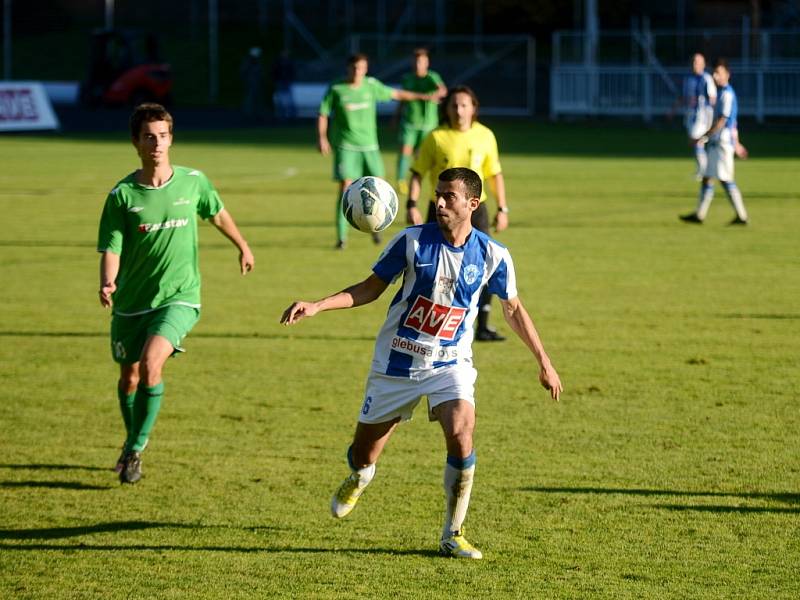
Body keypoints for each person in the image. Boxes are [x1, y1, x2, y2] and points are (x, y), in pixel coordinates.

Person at [281, 167, 562, 559]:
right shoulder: (411, 242)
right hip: (395, 367)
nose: (440, 202)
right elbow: (370, 288)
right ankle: (360, 476)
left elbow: (513, 309)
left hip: (450, 364)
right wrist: (317, 305)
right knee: (364, 455)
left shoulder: (493, 254)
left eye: (449, 196)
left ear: (473, 204)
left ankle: (453, 533)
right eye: (438, 195)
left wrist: (544, 361)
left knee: (462, 431)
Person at [97, 103, 255, 484]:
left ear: (171, 138)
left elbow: (216, 212)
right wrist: (107, 281)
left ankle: (135, 449)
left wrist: (242, 245)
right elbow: (112, 246)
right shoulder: (122, 195)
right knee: (129, 379)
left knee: (152, 364)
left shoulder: (193, 181)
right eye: (149, 136)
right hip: (131, 302)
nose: (157, 143)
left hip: (180, 296)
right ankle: (132, 440)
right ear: (136, 142)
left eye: (163, 136)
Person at [406, 85, 509, 341]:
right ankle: (428, 322)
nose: (459, 110)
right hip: (441, 210)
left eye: (464, 105)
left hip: (477, 210)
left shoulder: (485, 135)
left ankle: (482, 325)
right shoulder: (436, 137)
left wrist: (503, 208)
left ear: (473, 108)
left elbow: (494, 174)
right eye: (454, 105)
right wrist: (411, 203)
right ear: (447, 109)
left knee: (484, 266)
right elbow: (418, 172)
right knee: (433, 268)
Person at [317, 53, 443, 250]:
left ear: (366, 69)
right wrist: (322, 137)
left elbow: (398, 94)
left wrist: (424, 97)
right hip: (346, 146)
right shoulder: (336, 88)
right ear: (348, 68)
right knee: (345, 189)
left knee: (379, 188)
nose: (358, 72)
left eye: (361, 68)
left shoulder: (371, 86)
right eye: (354, 68)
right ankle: (342, 237)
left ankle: (376, 227)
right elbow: (323, 113)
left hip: (370, 146)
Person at [680, 60, 749, 225]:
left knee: (725, 180)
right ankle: (699, 215)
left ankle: (742, 216)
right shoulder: (723, 93)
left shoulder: (727, 94)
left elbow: (723, 121)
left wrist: (704, 137)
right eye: (715, 73)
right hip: (717, 144)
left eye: (719, 73)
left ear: (727, 74)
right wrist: (737, 143)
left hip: (722, 144)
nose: (716, 76)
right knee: (707, 178)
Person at [393, 48, 447, 195]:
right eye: (416, 61)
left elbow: (443, 91)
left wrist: (434, 95)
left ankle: (418, 181)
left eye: (422, 61)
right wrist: (396, 116)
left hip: (428, 124)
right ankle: (400, 180)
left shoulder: (431, 77)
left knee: (421, 156)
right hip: (410, 122)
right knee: (405, 150)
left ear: (427, 62)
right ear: (412, 62)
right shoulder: (407, 78)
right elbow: (402, 99)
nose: (418, 64)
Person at [675, 53, 717, 179]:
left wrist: (713, 117)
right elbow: (684, 97)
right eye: (693, 61)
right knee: (697, 142)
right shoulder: (688, 78)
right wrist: (673, 109)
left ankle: (703, 171)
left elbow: (713, 98)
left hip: (703, 116)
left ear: (703, 64)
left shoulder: (707, 78)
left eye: (697, 62)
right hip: (690, 114)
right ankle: (703, 170)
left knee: (697, 140)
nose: (695, 64)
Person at [240, 46, 265, 120]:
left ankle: (257, 115)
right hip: (251, 84)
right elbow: (243, 72)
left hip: (257, 83)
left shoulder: (257, 62)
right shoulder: (248, 61)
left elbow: (261, 73)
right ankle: (248, 115)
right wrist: (247, 81)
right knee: (250, 99)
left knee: (258, 100)